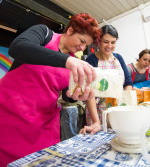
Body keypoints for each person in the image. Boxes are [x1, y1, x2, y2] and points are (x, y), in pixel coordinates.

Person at [0, 13, 102, 166]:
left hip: (43, 126)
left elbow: (67, 94)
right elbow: (18, 47)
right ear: (70, 30)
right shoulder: (44, 34)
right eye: (81, 41)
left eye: (86, 45)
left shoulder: (74, 61)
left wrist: (75, 96)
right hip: (10, 117)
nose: (82, 48)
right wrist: (66, 60)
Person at [79, 25, 133, 134]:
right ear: (99, 41)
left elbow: (128, 83)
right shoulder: (91, 60)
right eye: (106, 42)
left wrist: (125, 106)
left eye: (113, 42)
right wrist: (96, 121)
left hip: (118, 108)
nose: (109, 46)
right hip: (98, 110)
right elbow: (89, 92)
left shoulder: (119, 58)